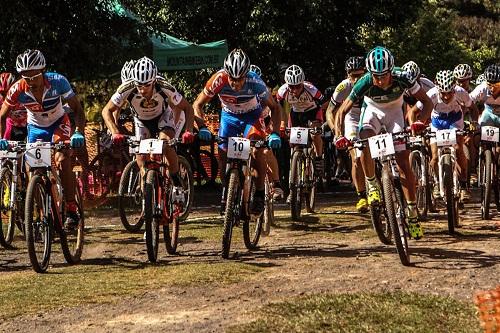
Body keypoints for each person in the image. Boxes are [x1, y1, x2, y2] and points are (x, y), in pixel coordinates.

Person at [335, 46, 433, 240]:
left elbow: (427, 102)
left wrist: (422, 120)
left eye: (384, 75)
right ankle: (372, 185)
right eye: (376, 76)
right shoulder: (364, 82)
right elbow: (341, 111)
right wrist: (339, 134)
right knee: (363, 144)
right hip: (372, 113)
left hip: (395, 114)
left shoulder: (403, 76)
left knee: (404, 163)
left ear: (391, 71)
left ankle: (412, 215)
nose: (379, 80)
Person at [0, 49, 86, 227]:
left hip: (58, 123)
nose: (31, 82)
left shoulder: (58, 82)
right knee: (33, 170)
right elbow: (2, 117)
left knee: (62, 159)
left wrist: (78, 132)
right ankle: (42, 214)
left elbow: (77, 110)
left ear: (43, 71)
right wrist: (1, 138)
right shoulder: (17, 89)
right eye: (26, 77)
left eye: (34, 76)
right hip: (36, 128)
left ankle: (71, 208)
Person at [192, 48, 282, 214]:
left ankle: (260, 193)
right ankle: (227, 192)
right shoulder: (218, 79)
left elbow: (275, 108)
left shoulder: (255, 82)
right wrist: (202, 126)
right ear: (227, 74)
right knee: (223, 154)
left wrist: (275, 132)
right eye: (232, 79)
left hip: (252, 117)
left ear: (246, 75)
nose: (235, 84)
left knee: (257, 151)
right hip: (229, 118)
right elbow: (197, 104)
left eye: (239, 79)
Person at [102, 56, 195, 205]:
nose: (142, 89)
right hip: (141, 121)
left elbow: (188, 108)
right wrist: (114, 132)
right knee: (140, 158)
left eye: (146, 85)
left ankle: (176, 182)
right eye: (139, 85)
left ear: (153, 81)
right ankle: (148, 187)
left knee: (166, 145)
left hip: (162, 118)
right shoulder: (127, 88)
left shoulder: (164, 85)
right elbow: (107, 110)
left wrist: (188, 130)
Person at [409, 70, 479, 202]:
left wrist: (474, 123)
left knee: (458, 149)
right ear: (438, 89)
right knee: (434, 156)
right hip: (437, 121)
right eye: (443, 93)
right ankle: (436, 182)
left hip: (455, 120)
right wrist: (414, 127)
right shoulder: (431, 94)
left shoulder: (461, 92)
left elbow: (473, 108)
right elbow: (413, 112)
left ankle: (463, 184)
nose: (446, 97)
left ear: (454, 89)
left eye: (449, 93)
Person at [276, 65, 325, 203]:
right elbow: (279, 109)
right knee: (294, 146)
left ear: (303, 82)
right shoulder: (282, 92)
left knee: (315, 134)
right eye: (291, 86)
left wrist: (319, 125)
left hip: (313, 112)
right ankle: (293, 187)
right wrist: (282, 124)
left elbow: (324, 104)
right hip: (296, 114)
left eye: (298, 86)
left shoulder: (312, 90)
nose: (295, 90)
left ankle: (319, 158)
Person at [326, 56, 368, 212]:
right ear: (347, 75)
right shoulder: (343, 87)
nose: (357, 79)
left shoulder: (372, 82)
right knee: (356, 156)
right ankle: (362, 195)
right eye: (353, 75)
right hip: (351, 117)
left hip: (371, 114)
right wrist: (337, 132)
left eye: (360, 75)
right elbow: (330, 111)